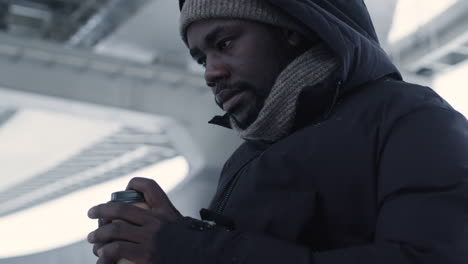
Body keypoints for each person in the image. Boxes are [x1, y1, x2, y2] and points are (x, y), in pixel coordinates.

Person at [87, 0, 468, 263]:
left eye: (224, 43)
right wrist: (164, 247)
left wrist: (189, 249)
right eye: (202, 57)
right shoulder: (245, 159)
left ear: (293, 29)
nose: (210, 72)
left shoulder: (411, 118)